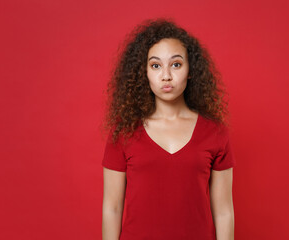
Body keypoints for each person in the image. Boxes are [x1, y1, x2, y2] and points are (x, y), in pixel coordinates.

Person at [101, 18, 237, 240]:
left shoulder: (215, 132)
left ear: (190, 70)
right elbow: (112, 208)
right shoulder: (124, 131)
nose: (166, 75)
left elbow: (223, 212)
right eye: (155, 65)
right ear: (143, 72)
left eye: (176, 64)